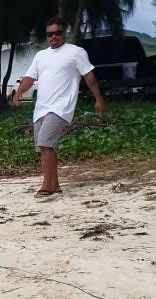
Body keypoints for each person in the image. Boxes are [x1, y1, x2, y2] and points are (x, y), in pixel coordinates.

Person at [10, 16, 106, 199]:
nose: (54, 37)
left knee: (45, 143)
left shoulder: (75, 52)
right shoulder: (41, 55)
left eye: (58, 33)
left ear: (65, 33)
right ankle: (55, 185)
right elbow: (30, 77)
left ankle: (46, 186)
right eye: (49, 34)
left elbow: (89, 76)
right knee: (45, 147)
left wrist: (98, 99)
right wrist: (20, 91)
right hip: (41, 109)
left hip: (61, 108)